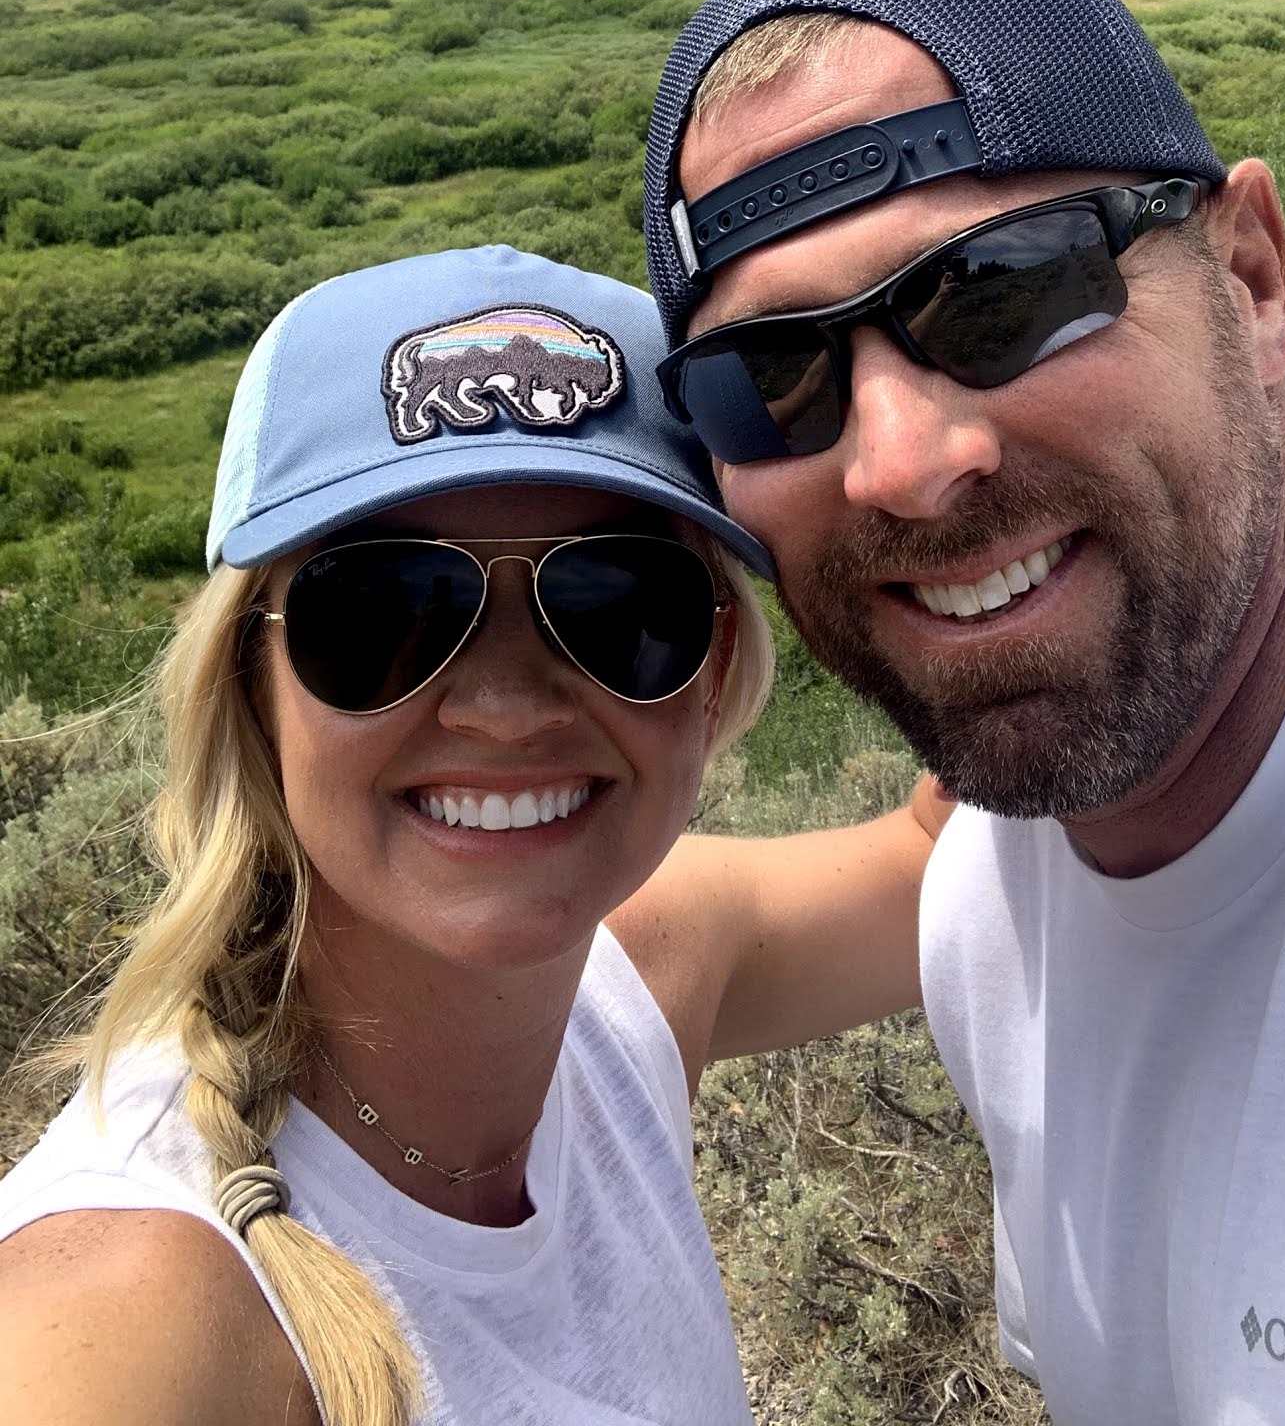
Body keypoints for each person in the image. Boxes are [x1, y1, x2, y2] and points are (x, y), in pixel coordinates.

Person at [639, 0, 1285, 1425]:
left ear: (1252, 281)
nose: (901, 462)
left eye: (1004, 290)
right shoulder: (993, 896)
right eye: (767, 380)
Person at [0, 243, 935, 1426]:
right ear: (251, 688)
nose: (503, 706)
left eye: (618, 602)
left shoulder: (629, 986)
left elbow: (943, 849)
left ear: (715, 671)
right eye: (383, 609)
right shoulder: (139, 1311)